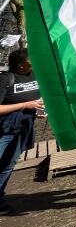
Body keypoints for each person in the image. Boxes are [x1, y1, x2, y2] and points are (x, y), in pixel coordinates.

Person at [0, 49, 44, 214]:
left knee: (8, 165)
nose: (34, 61)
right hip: (4, 131)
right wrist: (24, 105)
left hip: (23, 129)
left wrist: (39, 110)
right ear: (20, 65)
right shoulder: (5, 78)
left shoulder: (33, 75)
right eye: (31, 59)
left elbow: (36, 100)